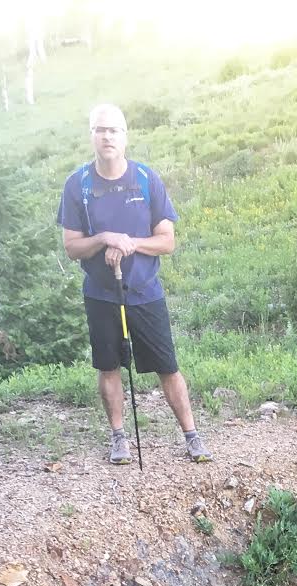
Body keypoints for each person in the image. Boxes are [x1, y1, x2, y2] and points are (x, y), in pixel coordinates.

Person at [57, 103, 211, 465]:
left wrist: (129, 242)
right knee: (108, 366)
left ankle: (192, 436)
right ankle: (118, 437)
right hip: (101, 294)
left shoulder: (146, 179)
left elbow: (167, 241)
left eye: (114, 130)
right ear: (91, 135)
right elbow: (72, 247)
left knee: (167, 366)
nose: (107, 136)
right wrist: (105, 239)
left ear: (126, 136)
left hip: (144, 291)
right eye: (100, 130)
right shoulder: (77, 184)